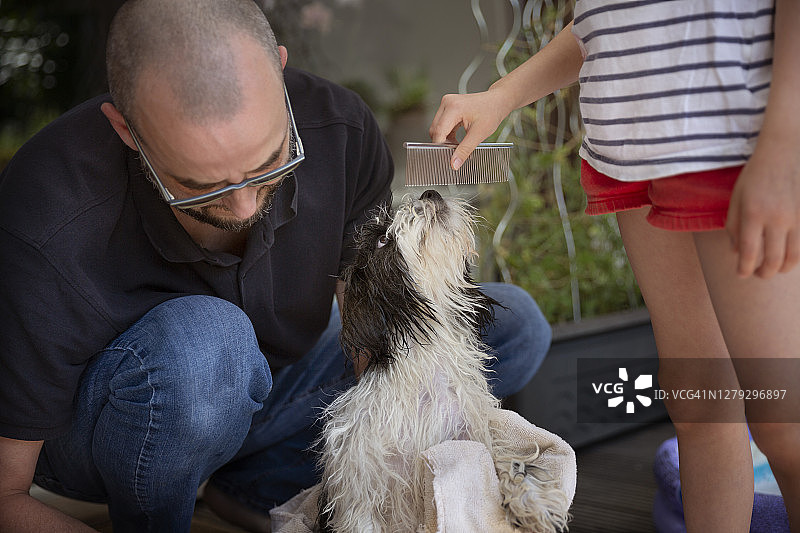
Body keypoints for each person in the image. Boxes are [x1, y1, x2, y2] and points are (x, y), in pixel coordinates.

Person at [0, 1, 552, 532]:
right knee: (210, 344)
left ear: (281, 73)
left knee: (505, 326)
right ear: (126, 131)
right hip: (98, 431)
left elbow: (371, 350)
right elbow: (6, 494)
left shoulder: (340, 129)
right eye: (200, 187)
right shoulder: (46, 211)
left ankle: (259, 490)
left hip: (264, 388)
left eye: (268, 165)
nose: (244, 209)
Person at [430, 1, 800, 531]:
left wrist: (786, 143)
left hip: (736, 146)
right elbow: (600, 23)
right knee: (700, 402)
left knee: (783, 418)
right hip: (630, 160)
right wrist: (500, 96)